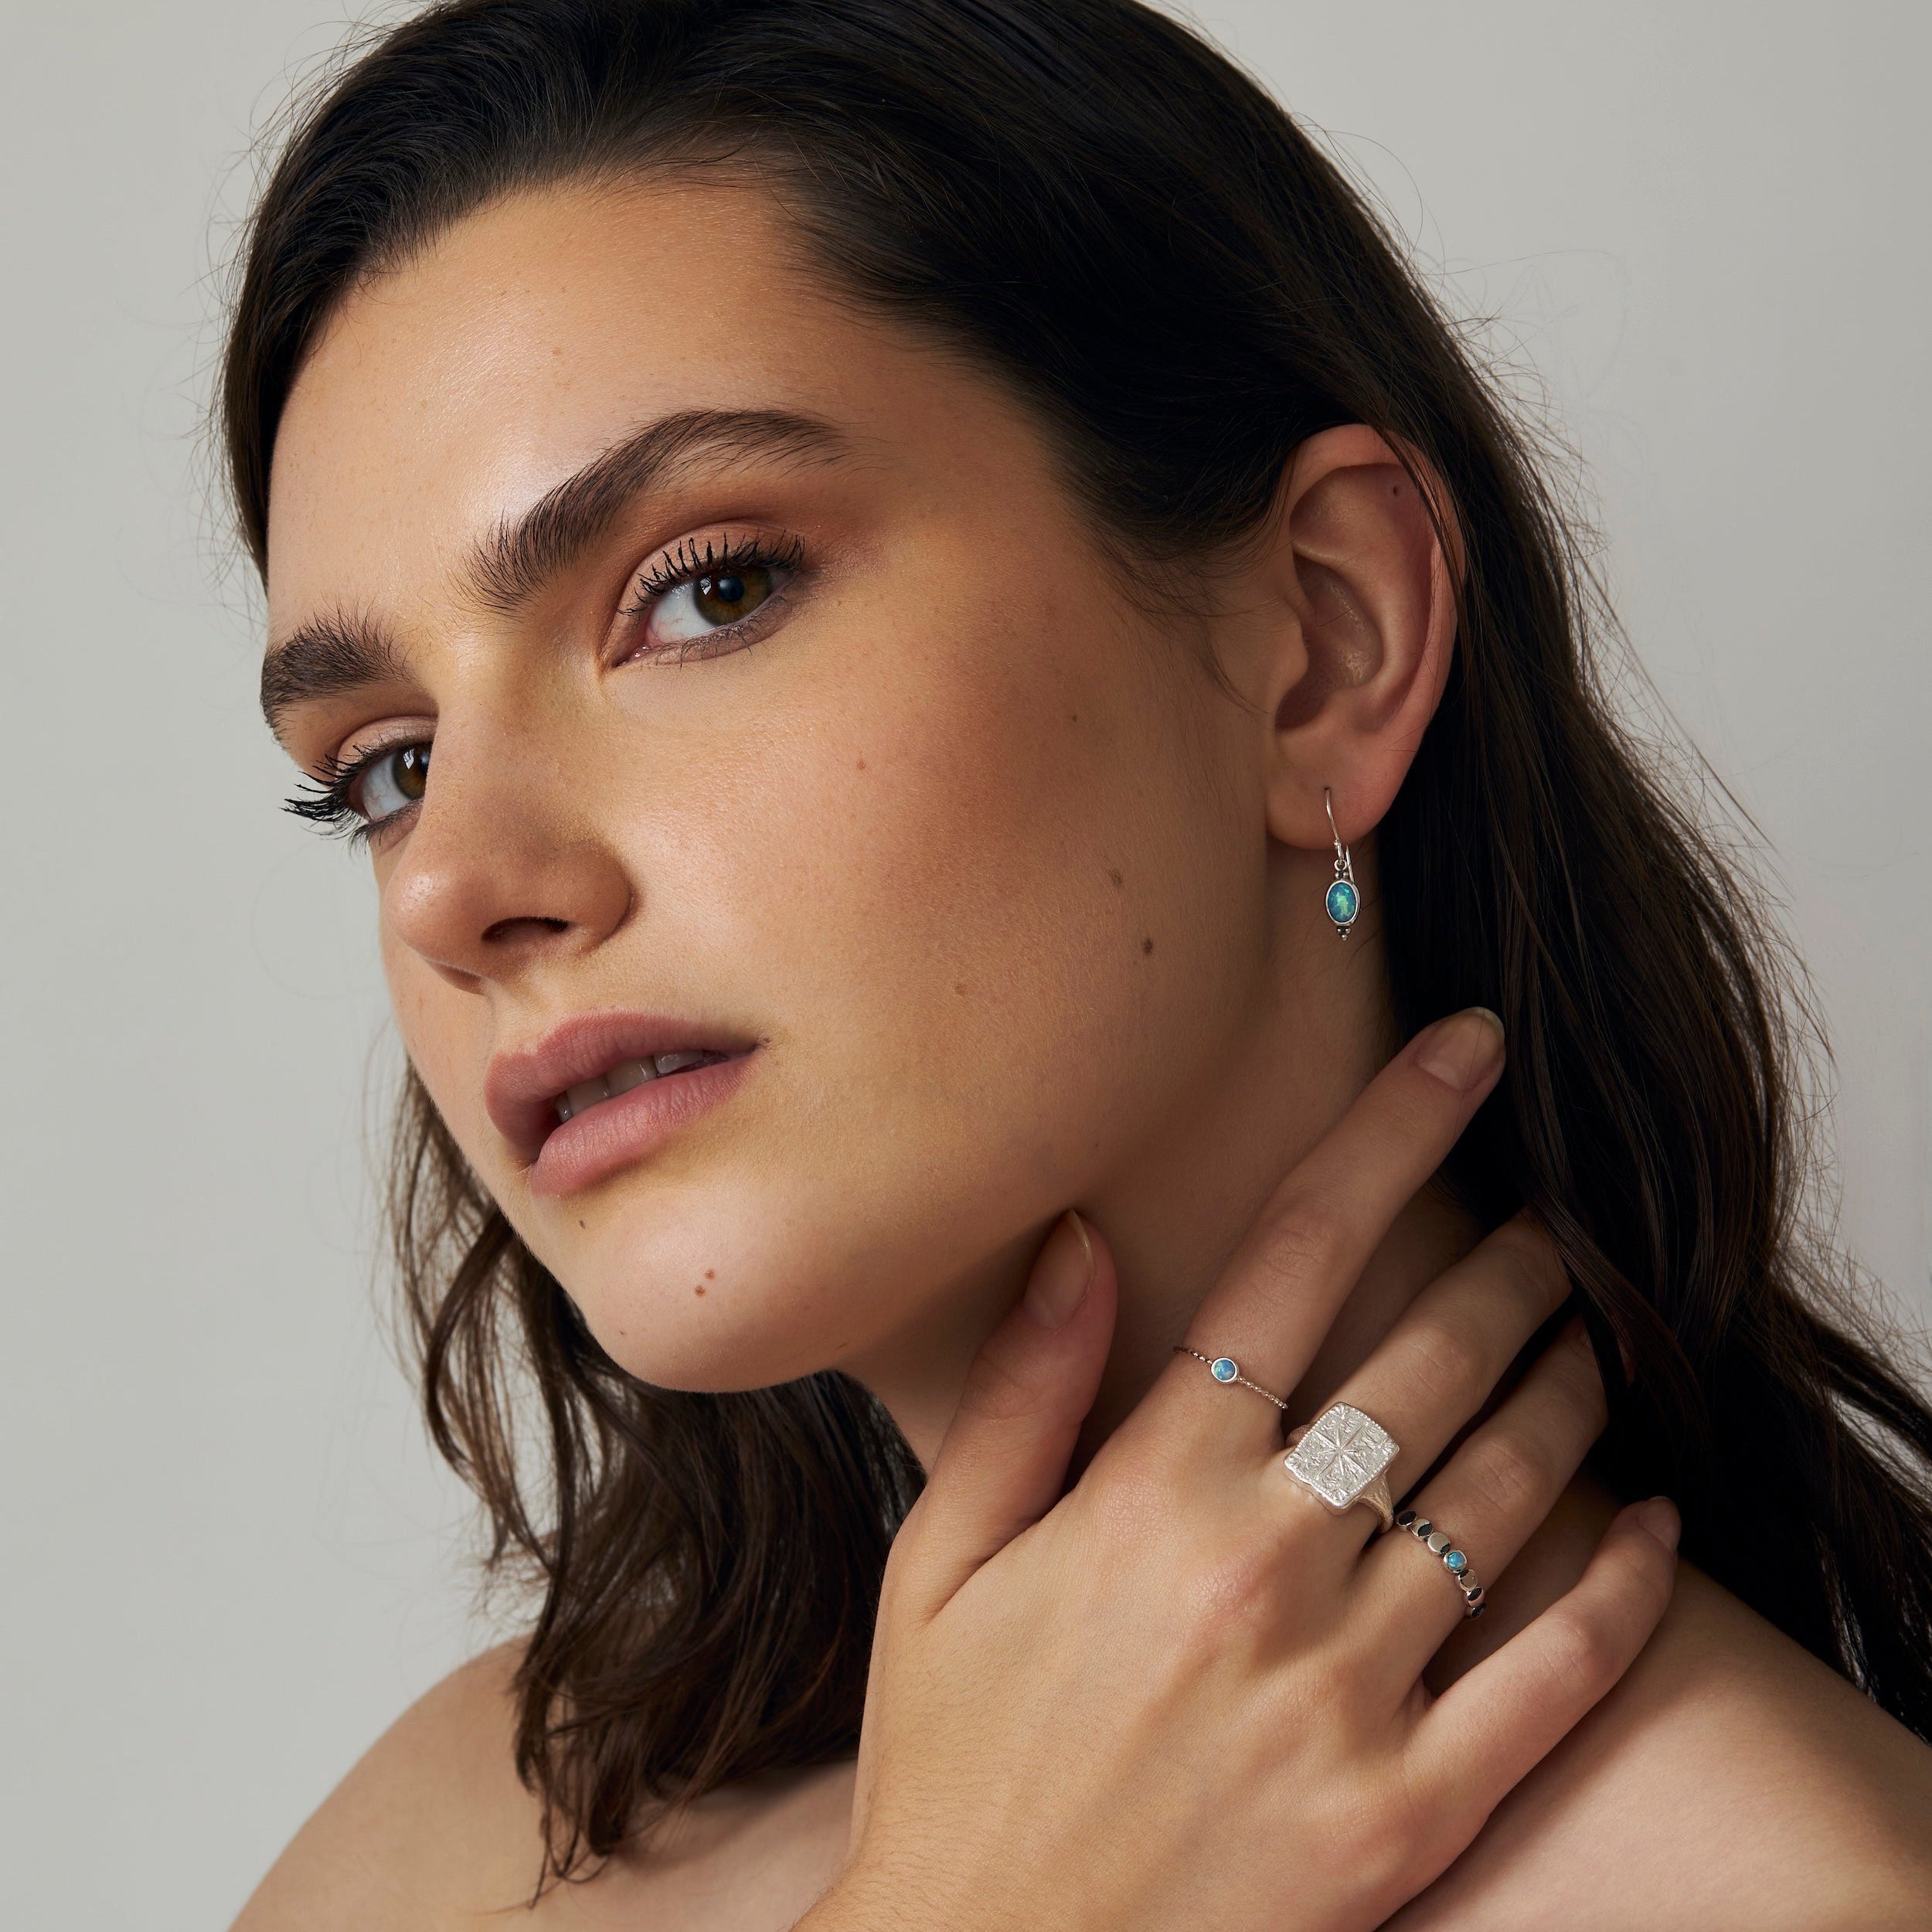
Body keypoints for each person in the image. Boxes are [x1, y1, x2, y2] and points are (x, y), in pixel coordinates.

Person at [224, 2, 1932, 1925]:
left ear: (1322, 640)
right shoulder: (465, 1834)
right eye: (386, 768)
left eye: (708, 590)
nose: (455, 884)